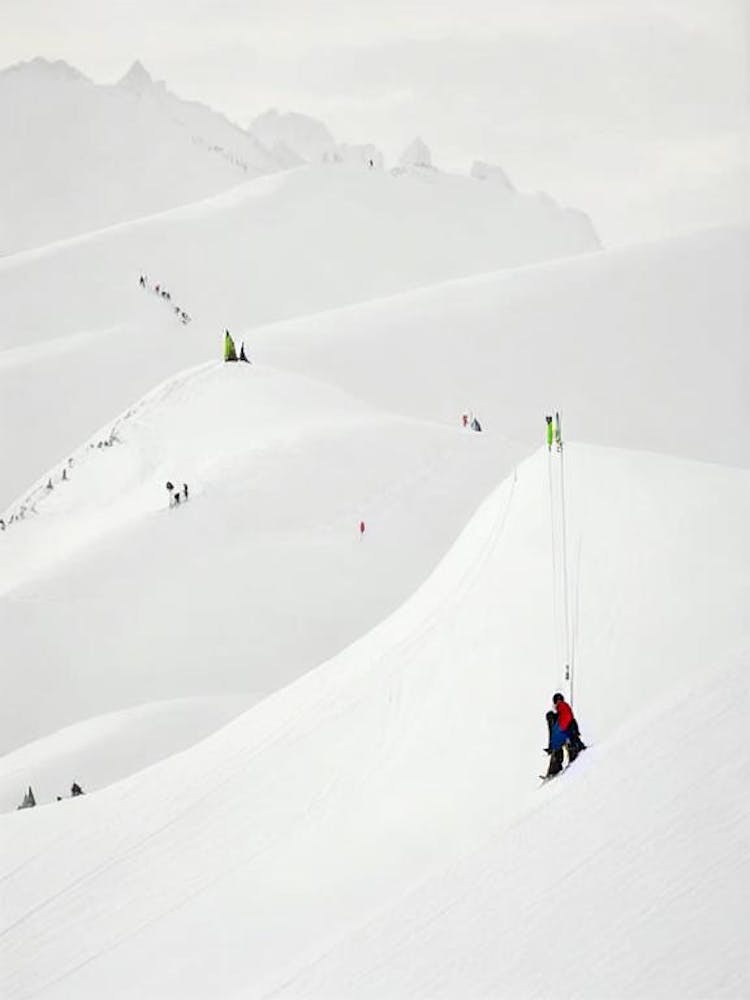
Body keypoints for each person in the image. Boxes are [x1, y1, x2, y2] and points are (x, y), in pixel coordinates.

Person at [543, 711, 568, 779]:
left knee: (556, 755)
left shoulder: (554, 721)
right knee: (556, 755)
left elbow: (552, 734)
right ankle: (553, 770)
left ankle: (553, 771)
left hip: (558, 742)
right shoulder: (556, 720)